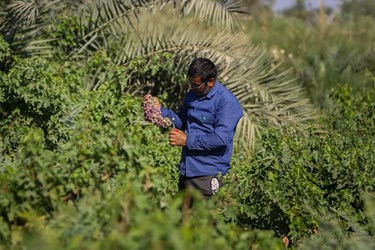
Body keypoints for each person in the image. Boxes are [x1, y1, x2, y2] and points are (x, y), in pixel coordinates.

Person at [145, 57, 243, 198]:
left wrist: (187, 140)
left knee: (204, 219)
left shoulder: (226, 102)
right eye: (190, 83)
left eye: (196, 85)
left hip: (208, 175)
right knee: (182, 219)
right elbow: (182, 121)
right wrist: (159, 111)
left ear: (211, 82)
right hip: (187, 172)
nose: (191, 88)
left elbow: (221, 138)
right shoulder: (192, 95)